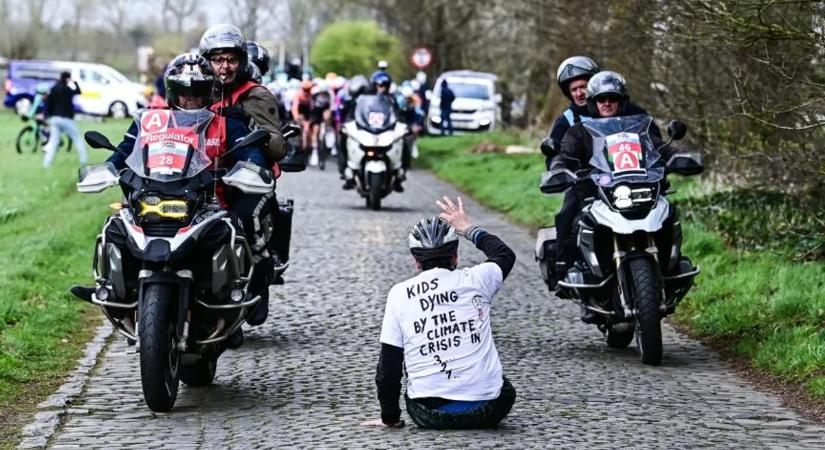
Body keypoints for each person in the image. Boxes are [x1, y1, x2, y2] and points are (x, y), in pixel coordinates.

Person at [71, 53, 268, 347]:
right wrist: (109, 168)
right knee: (115, 226)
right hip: (153, 200)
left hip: (207, 205)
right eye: (183, 91)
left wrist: (250, 166)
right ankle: (112, 290)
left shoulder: (227, 122)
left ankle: (233, 296)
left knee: (233, 229)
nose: (189, 99)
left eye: (197, 91)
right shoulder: (150, 120)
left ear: (210, 91)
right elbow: (124, 150)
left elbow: (250, 152)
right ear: (172, 91)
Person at [364, 197, 517, 430]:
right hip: (489, 408)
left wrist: (390, 418)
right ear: (455, 256)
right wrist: (468, 229)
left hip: (428, 413)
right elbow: (504, 255)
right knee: (503, 386)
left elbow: (389, 369)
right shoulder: (477, 279)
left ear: (417, 262)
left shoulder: (398, 295)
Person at [552, 71, 669, 314]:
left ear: (621, 100)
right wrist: (559, 169)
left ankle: (670, 265)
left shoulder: (641, 124)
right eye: (602, 99)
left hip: (637, 187)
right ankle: (566, 267)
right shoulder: (578, 130)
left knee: (669, 213)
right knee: (571, 217)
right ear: (594, 102)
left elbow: (660, 149)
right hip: (595, 190)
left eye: (612, 98)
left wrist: (678, 157)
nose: (607, 103)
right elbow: (564, 156)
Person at [200, 24, 289, 324]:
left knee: (246, 222)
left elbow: (278, 147)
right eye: (217, 59)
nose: (224, 67)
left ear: (241, 61)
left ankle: (259, 280)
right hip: (201, 176)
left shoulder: (256, 95)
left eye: (231, 60)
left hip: (248, 178)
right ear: (207, 61)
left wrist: (254, 130)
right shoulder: (198, 89)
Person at [539, 56, 600, 170]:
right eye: (574, 89)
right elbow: (554, 154)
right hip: (585, 183)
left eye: (583, 87)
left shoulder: (612, 109)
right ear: (569, 93)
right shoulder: (565, 120)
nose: (579, 93)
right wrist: (557, 166)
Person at [42, 71, 87, 168]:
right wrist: (74, 82)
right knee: (78, 139)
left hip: (54, 118)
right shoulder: (67, 89)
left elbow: (48, 103)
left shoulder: (54, 88)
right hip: (66, 118)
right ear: (68, 79)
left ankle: (46, 164)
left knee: (53, 142)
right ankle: (84, 161)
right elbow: (78, 92)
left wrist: (46, 116)